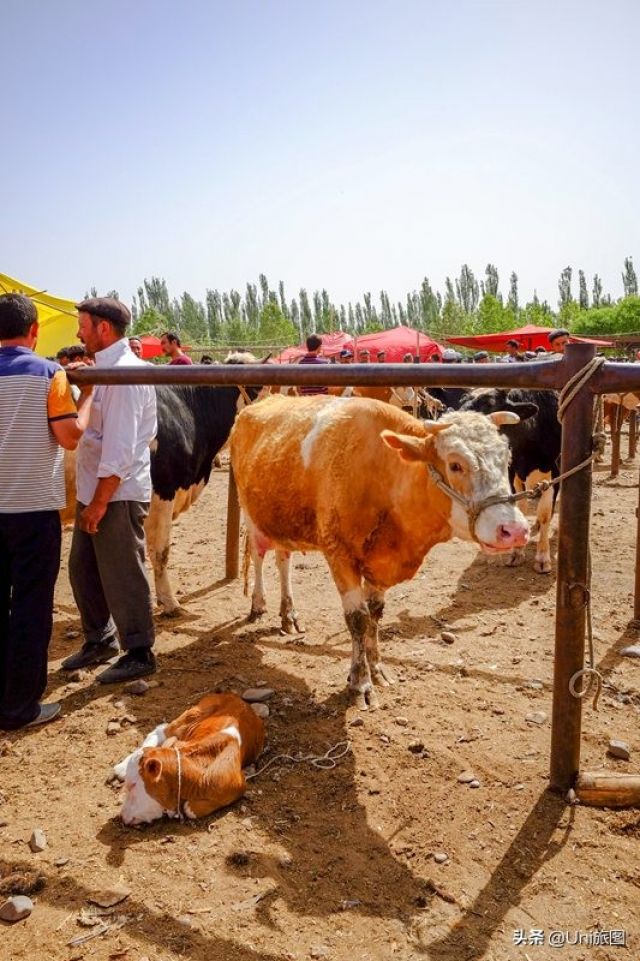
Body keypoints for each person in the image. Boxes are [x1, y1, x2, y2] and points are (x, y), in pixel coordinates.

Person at [0, 293, 92, 729]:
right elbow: (70, 436)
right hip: (31, 510)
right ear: (34, 332)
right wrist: (88, 394)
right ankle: (19, 708)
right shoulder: (48, 373)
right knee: (32, 608)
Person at [62, 297, 158, 684]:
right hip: (96, 488)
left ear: (103, 328)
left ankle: (139, 650)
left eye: (83, 325)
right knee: (83, 569)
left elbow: (121, 446)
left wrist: (100, 501)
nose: (78, 333)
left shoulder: (124, 374)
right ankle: (100, 639)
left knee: (122, 571)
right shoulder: (102, 370)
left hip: (115, 492)